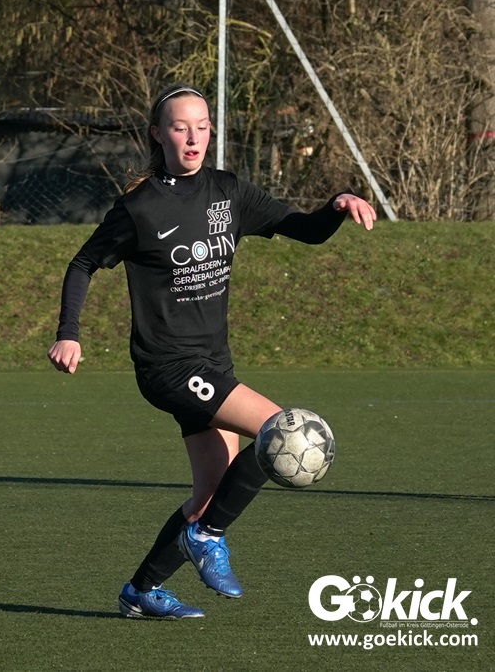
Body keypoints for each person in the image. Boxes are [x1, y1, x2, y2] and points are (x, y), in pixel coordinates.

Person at [47, 84, 377, 620]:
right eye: (180, 127)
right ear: (158, 134)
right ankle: (207, 537)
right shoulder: (139, 208)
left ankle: (141, 591)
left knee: (209, 492)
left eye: (201, 126)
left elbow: (305, 229)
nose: (193, 137)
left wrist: (338, 204)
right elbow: (83, 263)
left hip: (213, 364)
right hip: (167, 366)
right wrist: (69, 331)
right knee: (282, 431)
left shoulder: (228, 192)